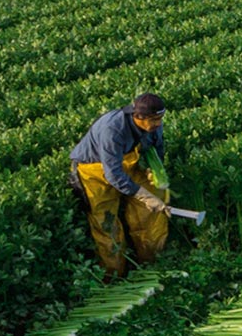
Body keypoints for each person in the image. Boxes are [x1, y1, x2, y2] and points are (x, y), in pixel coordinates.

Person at [70, 92, 172, 277]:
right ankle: (114, 275)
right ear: (138, 117)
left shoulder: (154, 125)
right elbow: (113, 174)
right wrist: (143, 195)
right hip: (96, 171)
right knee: (107, 224)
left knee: (151, 214)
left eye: (160, 118)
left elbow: (157, 148)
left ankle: (152, 266)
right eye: (154, 120)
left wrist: (152, 169)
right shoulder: (113, 129)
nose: (158, 124)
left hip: (128, 163)